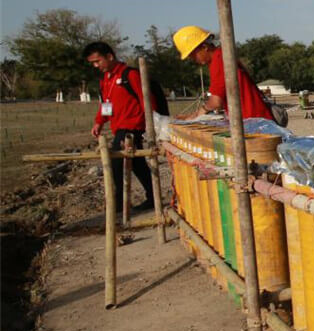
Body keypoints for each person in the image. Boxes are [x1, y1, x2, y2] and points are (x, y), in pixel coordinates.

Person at [84, 41, 155, 212]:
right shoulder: (106, 80)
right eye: (92, 63)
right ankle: (153, 197)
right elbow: (106, 104)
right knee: (138, 164)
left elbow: (148, 101)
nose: (95, 65)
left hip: (132, 128)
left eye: (97, 61)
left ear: (109, 56)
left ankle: (118, 205)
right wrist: (99, 122)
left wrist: (152, 125)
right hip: (118, 127)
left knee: (116, 162)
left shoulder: (130, 75)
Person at [172, 26, 274, 121]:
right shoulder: (220, 57)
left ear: (204, 47)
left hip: (254, 121)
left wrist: (196, 115)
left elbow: (216, 102)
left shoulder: (219, 60)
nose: (192, 59)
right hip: (252, 119)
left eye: (192, 54)